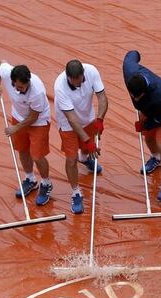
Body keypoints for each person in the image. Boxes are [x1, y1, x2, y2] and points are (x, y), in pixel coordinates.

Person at [123, 50, 161, 202]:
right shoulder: (130, 71)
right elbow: (130, 56)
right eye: (132, 95)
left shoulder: (159, 95)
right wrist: (136, 53)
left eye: (136, 96)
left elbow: (159, 119)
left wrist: (146, 124)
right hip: (148, 108)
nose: (133, 98)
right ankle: (156, 158)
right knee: (148, 138)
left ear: (144, 92)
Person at [0, 60, 53, 205]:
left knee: (38, 155)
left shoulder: (37, 92)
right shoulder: (8, 73)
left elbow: (33, 117)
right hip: (18, 116)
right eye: (19, 87)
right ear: (12, 81)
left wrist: (15, 128)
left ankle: (46, 183)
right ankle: (30, 179)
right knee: (22, 149)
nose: (21, 90)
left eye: (24, 87)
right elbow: (0, 64)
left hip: (38, 121)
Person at [54, 59, 109, 214]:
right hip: (67, 124)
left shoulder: (91, 70)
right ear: (68, 77)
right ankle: (76, 192)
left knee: (86, 150)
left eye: (81, 81)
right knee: (71, 159)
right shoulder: (60, 87)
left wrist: (100, 119)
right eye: (75, 83)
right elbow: (72, 119)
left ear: (83, 74)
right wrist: (87, 140)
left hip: (87, 116)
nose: (79, 85)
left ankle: (85, 160)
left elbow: (102, 97)